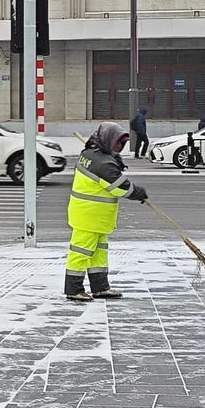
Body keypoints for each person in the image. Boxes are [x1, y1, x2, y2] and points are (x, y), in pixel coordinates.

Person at [65, 122, 149, 302]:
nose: (119, 148)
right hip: (88, 217)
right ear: (107, 140)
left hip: (97, 217)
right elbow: (120, 188)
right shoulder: (103, 164)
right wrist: (138, 192)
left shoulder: (91, 155)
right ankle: (73, 289)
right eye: (117, 143)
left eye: (122, 144)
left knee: (98, 253)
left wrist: (114, 160)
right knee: (80, 252)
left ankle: (100, 287)